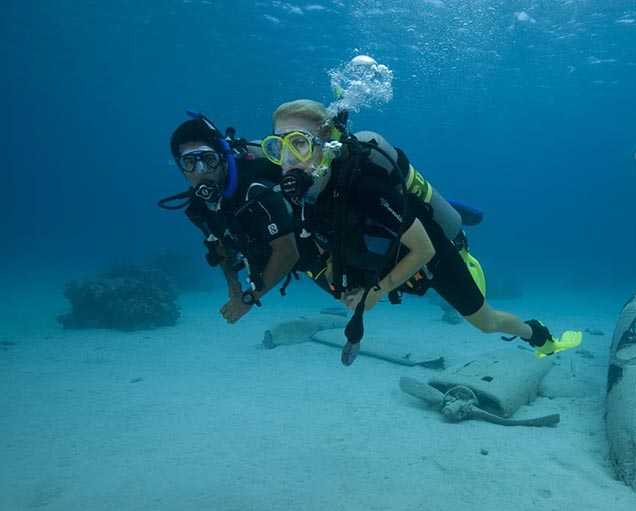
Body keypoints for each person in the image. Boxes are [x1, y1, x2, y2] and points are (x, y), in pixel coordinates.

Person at [259, 99, 582, 358]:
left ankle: (537, 334)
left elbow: (424, 249)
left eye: (298, 143)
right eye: (278, 146)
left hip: (428, 248)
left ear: (326, 144)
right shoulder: (306, 192)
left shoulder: (366, 184)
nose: (288, 160)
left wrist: (376, 292)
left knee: (487, 322)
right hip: (383, 246)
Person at [159, 113, 300, 324]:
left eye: (208, 159)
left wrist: (248, 299)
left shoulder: (255, 189)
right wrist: (234, 288)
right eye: (189, 162)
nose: (201, 170)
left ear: (223, 158)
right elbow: (219, 246)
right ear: (181, 169)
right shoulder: (199, 207)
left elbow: (288, 252)